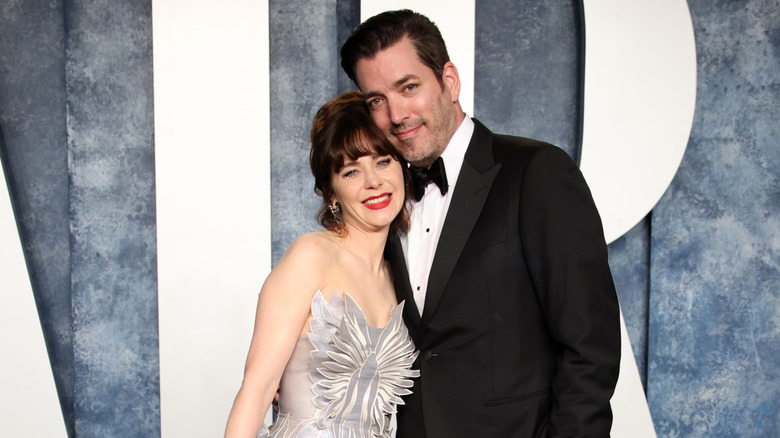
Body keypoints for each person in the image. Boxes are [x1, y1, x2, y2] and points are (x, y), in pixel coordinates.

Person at [340, 9, 621, 438]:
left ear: (449, 81)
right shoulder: (382, 198)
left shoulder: (536, 172)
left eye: (409, 87)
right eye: (376, 100)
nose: (395, 115)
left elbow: (590, 348)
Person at [224, 91, 419, 438]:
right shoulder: (310, 256)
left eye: (383, 161)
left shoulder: (403, 276)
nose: (373, 181)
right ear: (331, 193)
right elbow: (256, 390)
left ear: (403, 169)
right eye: (351, 171)